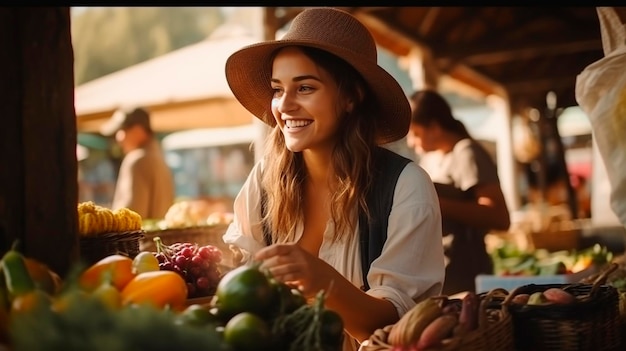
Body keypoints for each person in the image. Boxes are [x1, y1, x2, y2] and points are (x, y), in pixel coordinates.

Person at [222, 7, 445, 350]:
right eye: (277, 89)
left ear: (351, 97)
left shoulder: (405, 186)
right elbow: (240, 290)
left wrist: (322, 281)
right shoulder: (265, 179)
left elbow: (398, 327)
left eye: (305, 88)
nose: (284, 105)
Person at [406, 89, 511, 295]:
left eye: (415, 133)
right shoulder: (430, 159)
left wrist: (437, 204)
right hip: (437, 277)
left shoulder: (467, 153)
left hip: (466, 280)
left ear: (434, 127)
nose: (410, 142)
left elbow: (499, 216)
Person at [100, 106, 175, 220]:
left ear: (138, 130)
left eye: (122, 130)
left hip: (141, 237)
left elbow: (128, 216)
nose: (118, 138)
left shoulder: (137, 160)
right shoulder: (159, 157)